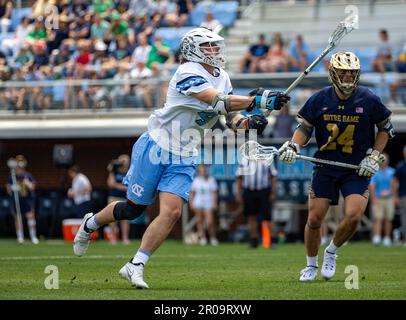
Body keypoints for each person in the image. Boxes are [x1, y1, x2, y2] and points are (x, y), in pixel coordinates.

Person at [72, 27, 290, 289]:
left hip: (186, 151)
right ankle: (90, 222)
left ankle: (136, 265)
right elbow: (218, 102)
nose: (216, 50)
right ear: (194, 49)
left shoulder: (223, 76)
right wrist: (260, 100)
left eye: (215, 45)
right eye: (209, 45)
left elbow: (230, 118)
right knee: (133, 210)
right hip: (157, 145)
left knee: (172, 211)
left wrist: (248, 122)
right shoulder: (187, 72)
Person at [279, 51, 394, 281]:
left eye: (352, 74)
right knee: (314, 219)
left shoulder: (368, 98)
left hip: (356, 168)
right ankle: (311, 265)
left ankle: (331, 252)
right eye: (343, 73)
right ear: (333, 73)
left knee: (353, 215)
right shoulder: (319, 99)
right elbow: (305, 128)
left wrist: (373, 156)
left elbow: (386, 129)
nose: (348, 78)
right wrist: (293, 146)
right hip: (325, 166)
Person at [236, 158, 277, 248]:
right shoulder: (244, 160)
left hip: (263, 191)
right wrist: (238, 193)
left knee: (267, 217)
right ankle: (253, 240)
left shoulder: (266, 159)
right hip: (249, 191)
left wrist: (273, 192)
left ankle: (270, 240)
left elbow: (273, 176)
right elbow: (239, 177)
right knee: (251, 216)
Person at [6, 155, 39, 244]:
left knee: (30, 217)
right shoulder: (12, 177)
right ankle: (20, 237)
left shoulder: (28, 175)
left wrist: (27, 183)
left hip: (27, 199)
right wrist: (12, 188)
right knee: (18, 218)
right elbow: (8, 190)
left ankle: (33, 236)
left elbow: (33, 187)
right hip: (17, 200)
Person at [370, 153, 396, 247]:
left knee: (388, 219)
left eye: (385, 160)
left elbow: (395, 185)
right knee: (378, 219)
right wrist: (374, 199)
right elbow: (372, 186)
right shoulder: (375, 171)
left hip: (390, 198)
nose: (384, 161)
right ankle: (377, 237)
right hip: (378, 198)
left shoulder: (392, 171)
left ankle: (387, 238)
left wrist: (390, 192)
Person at [189, 164, 219, 246]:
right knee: (199, 221)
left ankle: (213, 237)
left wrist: (214, 202)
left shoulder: (211, 180)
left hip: (208, 202)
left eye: (204, 169)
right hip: (198, 202)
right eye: (201, 169)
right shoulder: (196, 180)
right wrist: (191, 203)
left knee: (210, 222)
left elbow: (214, 192)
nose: (203, 171)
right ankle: (203, 238)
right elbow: (192, 193)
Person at [106, 154, 131, 245]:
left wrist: (118, 186)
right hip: (114, 197)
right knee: (112, 218)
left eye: (125, 161)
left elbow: (130, 186)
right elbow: (111, 184)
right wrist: (111, 170)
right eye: (122, 161)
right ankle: (113, 237)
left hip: (125, 197)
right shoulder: (115, 172)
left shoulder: (129, 172)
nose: (123, 163)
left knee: (125, 219)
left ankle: (125, 238)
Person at [394, 146, 406, 246]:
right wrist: (395, 196)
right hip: (403, 196)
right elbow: (394, 182)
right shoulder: (400, 166)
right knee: (404, 218)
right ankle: (405, 239)